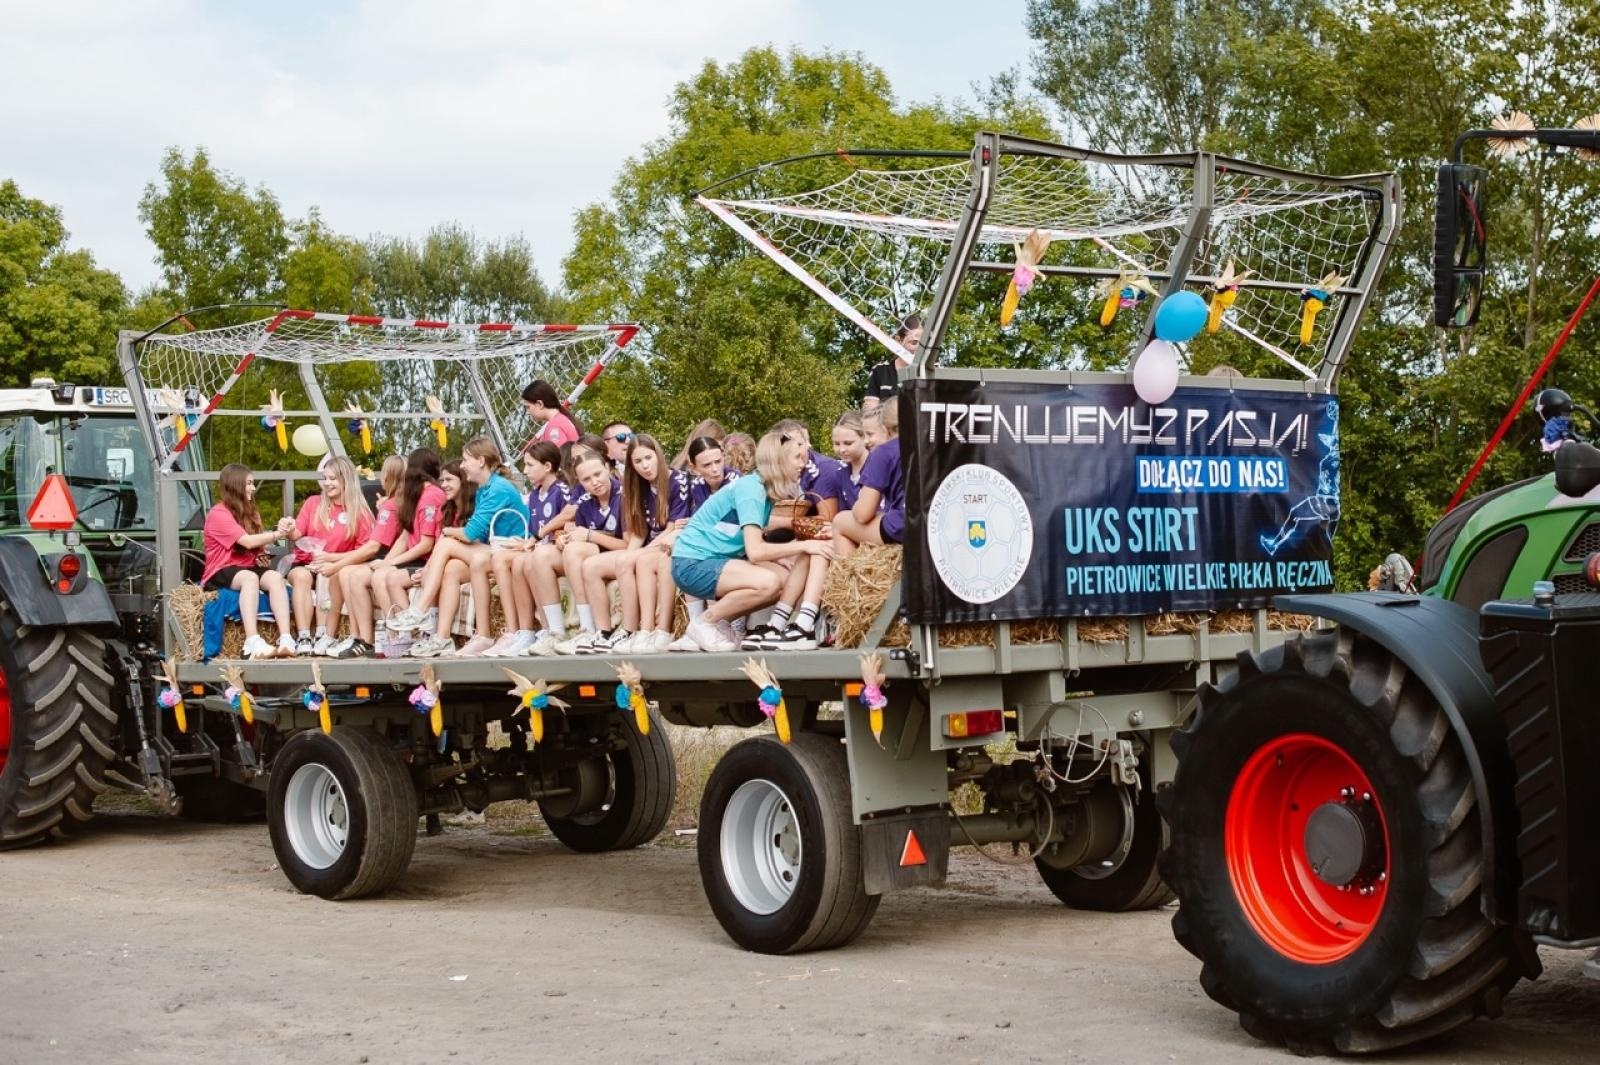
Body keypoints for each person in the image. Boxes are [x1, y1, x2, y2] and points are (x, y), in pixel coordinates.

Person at [672, 431, 835, 653]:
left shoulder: (759, 487)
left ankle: (719, 624)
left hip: (711, 560)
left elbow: (763, 523)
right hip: (692, 563)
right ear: (778, 461)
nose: (803, 463)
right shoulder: (752, 490)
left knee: (784, 579)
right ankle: (704, 621)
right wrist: (805, 545)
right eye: (796, 457)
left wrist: (796, 528)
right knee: (769, 582)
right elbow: (756, 551)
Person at [395, 437, 530, 658]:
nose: (463, 465)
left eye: (466, 460)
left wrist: (448, 532)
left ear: (480, 461)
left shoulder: (498, 489)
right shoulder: (483, 489)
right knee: (452, 569)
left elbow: (470, 534)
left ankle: (420, 609)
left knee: (448, 542)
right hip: (495, 549)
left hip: (511, 549)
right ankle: (445, 637)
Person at [335, 449, 442, 658]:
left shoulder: (420, 499)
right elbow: (406, 536)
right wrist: (389, 562)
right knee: (354, 574)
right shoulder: (410, 499)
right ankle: (370, 636)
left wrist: (334, 561)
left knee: (360, 575)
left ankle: (395, 634)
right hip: (410, 558)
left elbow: (376, 546)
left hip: (422, 560)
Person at [282, 456, 375, 656]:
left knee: (327, 574)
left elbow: (363, 554)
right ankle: (304, 636)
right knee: (301, 576)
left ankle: (324, 634)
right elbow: (296, 533)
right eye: (325, 478)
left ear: (345, 479)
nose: (327, 483)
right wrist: (288, 528)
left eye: (333, 478)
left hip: (335, 565)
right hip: (305, 564)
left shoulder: (359, 512)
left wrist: (332, 559)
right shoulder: (313, 503)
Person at [609, 433, 693, 654]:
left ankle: (658, 630)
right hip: (654, 542)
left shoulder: (678, 481)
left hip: (673, 540)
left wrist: (642, 552)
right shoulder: (639, 487)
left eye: (648, 458)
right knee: (624, 561)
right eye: (638, 462)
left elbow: (673, 528)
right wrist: (631, 554)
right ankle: (635, 630)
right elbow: (639, 531)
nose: (645, 466)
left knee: (642, 560)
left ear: (658, 454)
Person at [203, 464, 296, 659]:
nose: (253, 488)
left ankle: (286, 637)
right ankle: (252, 640)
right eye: (249, 483)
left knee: (275, 578)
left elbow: (256, 547)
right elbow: (246, 541)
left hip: (247, 566)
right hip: (222, 569)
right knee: (250, 579)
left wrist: (263, 556)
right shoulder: (218, 514)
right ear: (236, 485)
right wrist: (277, 534)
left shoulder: (252, 512)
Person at [485, 441, 567, 657]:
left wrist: (538, 540)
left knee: (526, 561)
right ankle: (524, 632)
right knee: (506, 558)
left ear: (547, 466)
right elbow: (534, 532)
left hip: (556, 552)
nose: (525, 470)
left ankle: (549, 630)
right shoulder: (535, 495)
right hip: (540, 547)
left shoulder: (562, 491)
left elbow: (568, 522)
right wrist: (525, 542)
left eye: (530, 465)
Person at [550, 453, 629, 654]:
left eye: (598, 474)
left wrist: (589, 535)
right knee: (544, 554)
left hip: (625, 555)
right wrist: (564, 538)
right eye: (586, 479)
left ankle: (594, 628)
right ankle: (558, 631)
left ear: (607, 468)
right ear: (579, 482)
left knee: (579, 554)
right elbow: (581, 535)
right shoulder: (585, 502)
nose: (595, 482)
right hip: (598, 555)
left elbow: (629, 545)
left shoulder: (625, 496)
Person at [833, 396, 905, 556]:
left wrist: (858, 506)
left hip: (901, 527)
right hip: (934, 523)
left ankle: (856, 579)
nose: (866, 441)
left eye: (870, 434)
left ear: (885, 428)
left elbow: (862, 514)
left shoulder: (885, 452)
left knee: (839, 522)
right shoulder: (929, 445)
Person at [769, 418, 844, 520]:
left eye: (800, 444)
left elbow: (828, 518)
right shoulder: (775, 467)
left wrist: (776, 522)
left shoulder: (823, 469)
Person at [865, 313, 922, 410]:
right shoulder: (881, 371)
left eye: (923, 344)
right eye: (914, 342)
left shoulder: (933, 372)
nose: (919, 348)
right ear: (898, 340)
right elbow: (869, 411)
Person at [522, 379, 579, 448]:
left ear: (540, 404)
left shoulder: (554, 427)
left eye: (528, 407)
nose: (527, 413)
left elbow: (559, 457)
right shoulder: (561, 419)